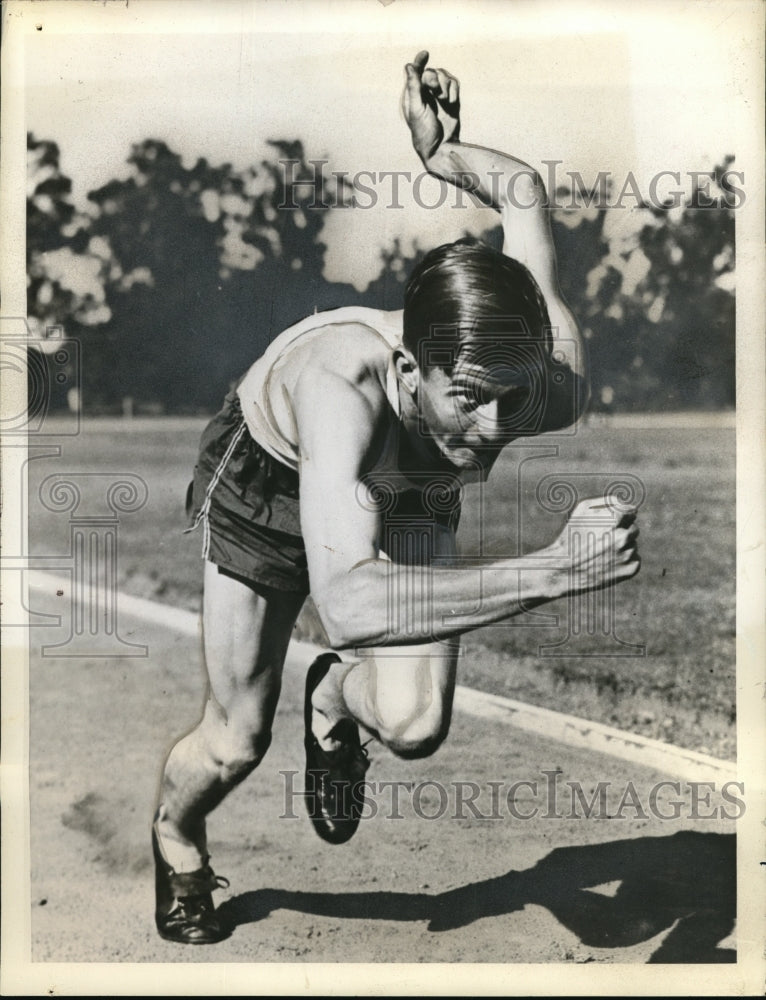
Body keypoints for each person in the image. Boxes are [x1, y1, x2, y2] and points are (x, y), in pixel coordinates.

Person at [152, 50, 641, 944]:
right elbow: (347, 603)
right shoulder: (342, 387)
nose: (494, 427)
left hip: (405, 488)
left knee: (415, 724)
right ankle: (175, 835)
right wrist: (553, 569)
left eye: (510, 395)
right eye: (468, 398)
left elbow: (524, 192)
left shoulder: (546, 380)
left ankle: (333, 702)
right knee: (236, 739)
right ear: (411, 369)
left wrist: (441, 156)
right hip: (274, 475)